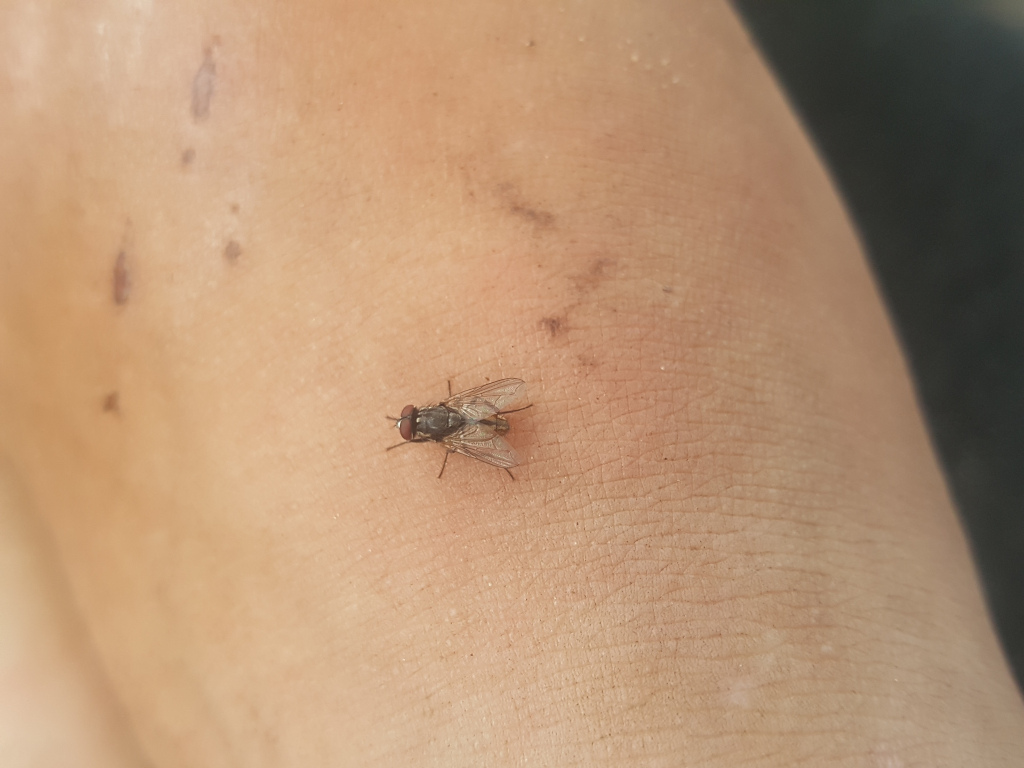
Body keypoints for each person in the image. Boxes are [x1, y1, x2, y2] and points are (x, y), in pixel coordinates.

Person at [1, 2, 1022, 764]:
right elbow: (478, 412)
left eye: (418, 421)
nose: (421, 421)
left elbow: (475, 420)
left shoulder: (445, 433)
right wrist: (474, 431)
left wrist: (470, 438)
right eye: (418, 423)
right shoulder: (455, 424)